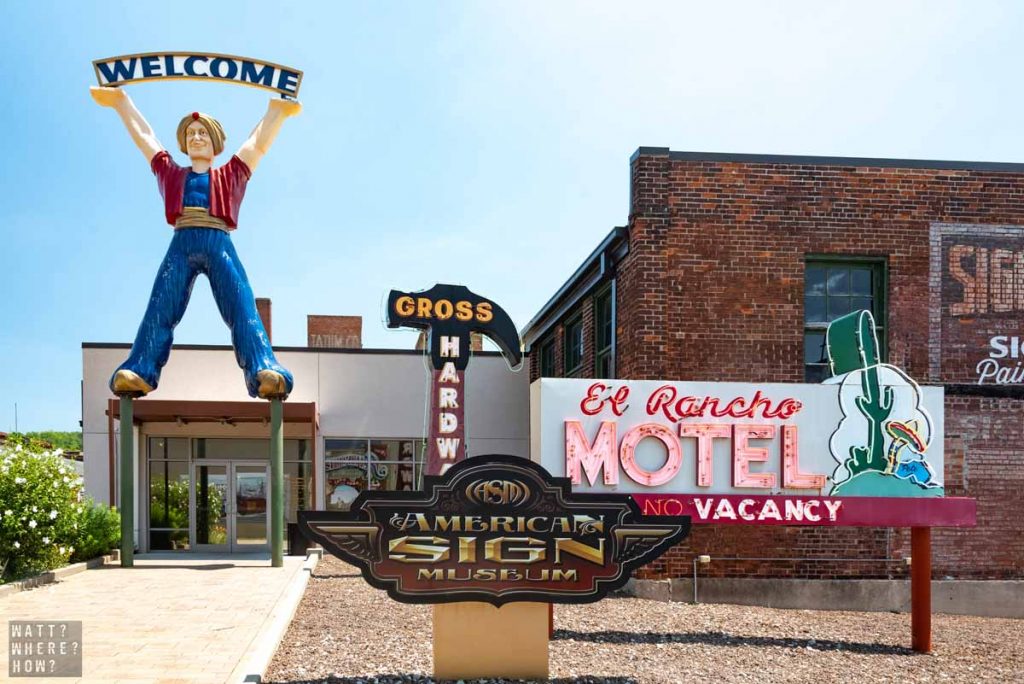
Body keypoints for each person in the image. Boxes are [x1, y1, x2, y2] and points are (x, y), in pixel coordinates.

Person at [90, 86, 300, 399]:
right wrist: (122, 104)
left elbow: (256, 145)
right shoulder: (172, 173)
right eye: (190, 134)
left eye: (202, 132)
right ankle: (140, 368)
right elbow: (146, 138)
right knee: (161, 304)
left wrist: (276, 112)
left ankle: (262, 367)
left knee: (242, 305)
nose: (196, 138)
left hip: (218, 240)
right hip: (182, 241)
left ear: (214, 140)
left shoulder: (230, 173)